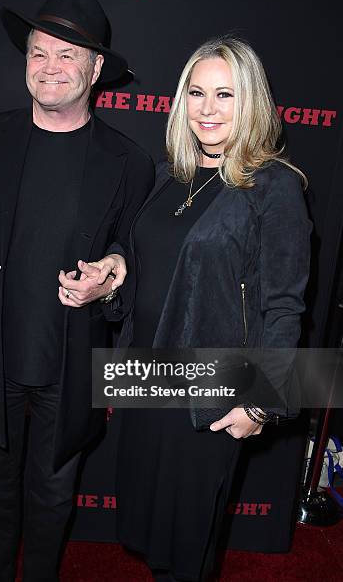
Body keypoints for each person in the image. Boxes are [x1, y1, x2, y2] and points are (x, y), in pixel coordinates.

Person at [0, 0, 154, 582]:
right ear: (25, 60)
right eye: (39, 53)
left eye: (68, 55)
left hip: (69, 363)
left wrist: (107, 283)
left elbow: (130, 258)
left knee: (54, 501)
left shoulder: (129, 163)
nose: (50, 67)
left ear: (96, 68)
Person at [115, 37, 311, 581]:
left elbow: (284, 306)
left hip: (211, 391)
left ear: (250, 102)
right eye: (196, 93)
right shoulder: (165, 176)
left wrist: (259, 406)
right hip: (146, 379)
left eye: (224, 94)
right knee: (152, 535)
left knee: (186, 546)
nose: (207, 109)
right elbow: (137, 257)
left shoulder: (274, 188)